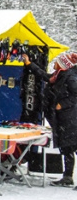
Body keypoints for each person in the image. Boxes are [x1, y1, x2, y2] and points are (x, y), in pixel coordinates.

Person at [23, 50, 77, 187]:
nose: (55, 64)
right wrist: (29, 64)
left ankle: (68, 176)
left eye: (58, 62)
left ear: (63, 65)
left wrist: (62, 104)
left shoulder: (70, 77)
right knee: (66, 148)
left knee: (70, 147)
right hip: (62, 118)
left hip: (70, 118)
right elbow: (45, 76)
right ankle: (67, 177)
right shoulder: (59, 75)